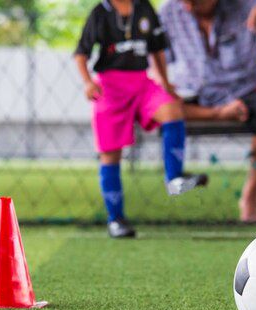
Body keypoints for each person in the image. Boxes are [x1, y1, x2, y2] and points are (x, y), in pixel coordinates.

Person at [74, 0, 208, 238]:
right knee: (110, 153)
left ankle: (174, 178)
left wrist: (166, 84)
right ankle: (116, 219)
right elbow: (81, 53)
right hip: (109, 86)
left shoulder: (144, 8)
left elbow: (157, 49)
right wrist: (87, 81)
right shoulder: (100, 12)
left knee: (171, 109)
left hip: (141, 81)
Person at [159, 0, 256, 223]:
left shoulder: (245, 5)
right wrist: (219, 112)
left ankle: (249, 197)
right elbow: (159, 60)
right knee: (162, 107)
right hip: (192, 91)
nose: (191, 7)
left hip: (243, 89)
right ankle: (174, 178)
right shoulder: (168, 12)